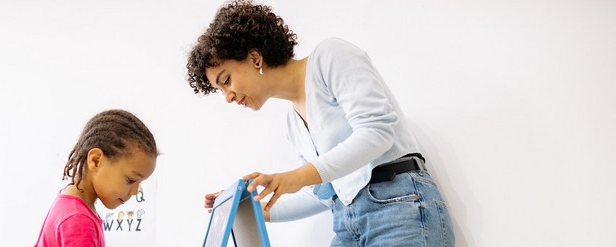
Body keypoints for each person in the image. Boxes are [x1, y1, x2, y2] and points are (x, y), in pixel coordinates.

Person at [186, 0, 454, 246]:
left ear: (255, 58)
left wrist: (295, 177)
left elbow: (377, 131)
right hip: (347, 222)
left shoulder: (330, 56)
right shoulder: (293, 122)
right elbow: (324, 192)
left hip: (398, 207)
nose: (228, 98)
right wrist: (249, 208)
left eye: (226, 81)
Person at [35, 109, 158, 247]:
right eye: (131, 180)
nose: (135, 192)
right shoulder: (79, 221)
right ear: (96, 161)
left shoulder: (70, 204)